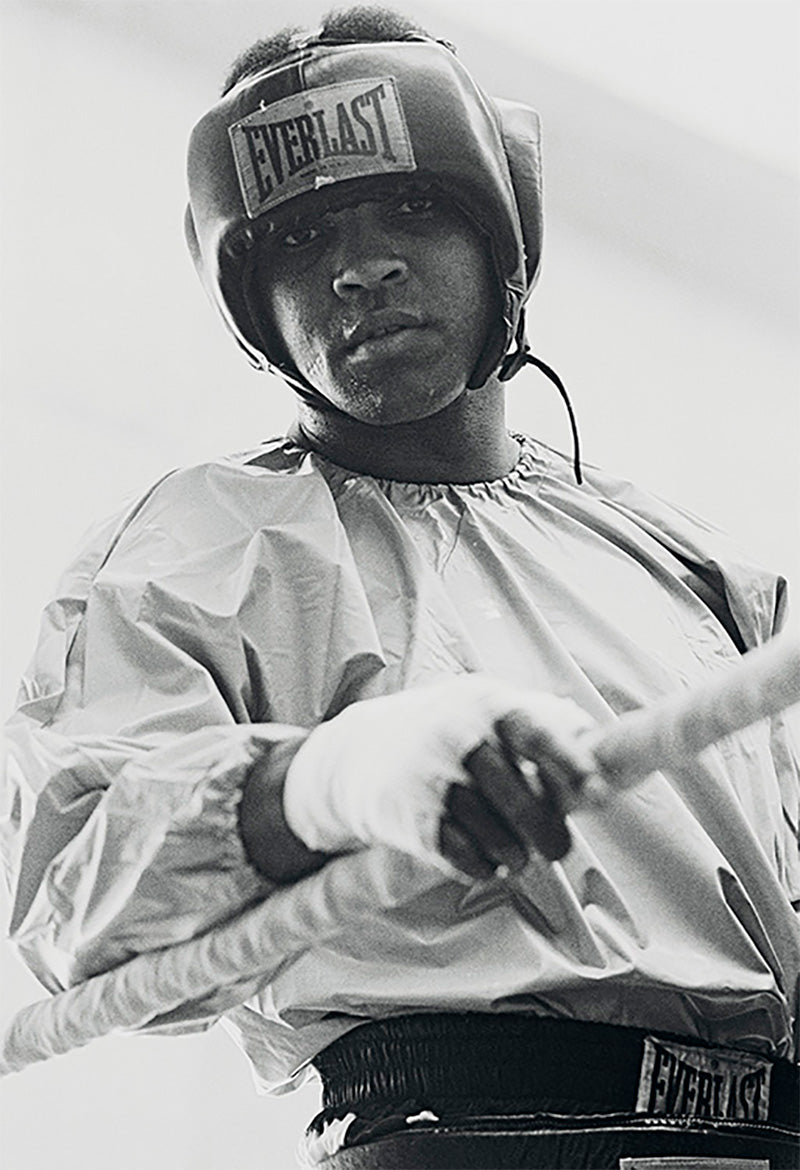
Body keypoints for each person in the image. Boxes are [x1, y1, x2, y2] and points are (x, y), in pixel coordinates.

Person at [2, 6, 798, 1167]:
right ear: (250, 303)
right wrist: (326, 782)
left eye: (413, 209)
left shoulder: (692, 565)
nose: (360, 267)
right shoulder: (195, 547)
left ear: (501, 233)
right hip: (450, 1136)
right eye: (300, 236)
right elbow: (81, 909)